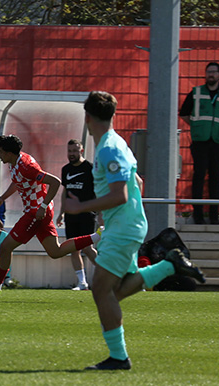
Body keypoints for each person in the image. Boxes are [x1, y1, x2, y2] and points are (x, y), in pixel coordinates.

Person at [64, 91, 205, 371]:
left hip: (123, 228)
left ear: (88, 117)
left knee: (102, 291)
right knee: (111, 293)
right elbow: (137, 182)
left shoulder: (108, 149)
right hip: (124, 224)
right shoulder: (118, 144)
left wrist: (82, 207)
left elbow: (121, 194)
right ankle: (168, 266)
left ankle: (119, 358)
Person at [0, 134, 102, 299]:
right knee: (55, 251)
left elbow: (54, 182)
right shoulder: (15, 163)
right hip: (38, 212)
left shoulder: (26, 166)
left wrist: (43, 206)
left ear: (8, 153)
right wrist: (2, 199)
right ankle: (96, 237)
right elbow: (18, 181)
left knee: (5, 246)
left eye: (1, 152)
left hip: (36, 212)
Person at [179, 62, 219, 225]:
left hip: (218, 140)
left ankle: (214, 216)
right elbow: (184, 113)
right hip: (200, 141)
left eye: (213, 72)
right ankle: (197, 215)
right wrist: (198, 126)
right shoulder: (196, 93)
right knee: (198, 175)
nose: (210, 75)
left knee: (215, 176)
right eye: (208, 72)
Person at [57, 139, 99, 291]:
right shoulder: (65, 169)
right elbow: (65, 192)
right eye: (69, 151)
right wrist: (61, 213)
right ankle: (82, 283)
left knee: (87, 248)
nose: (72, 154)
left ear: (81, 151)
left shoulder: (90, 168)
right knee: (73, 249)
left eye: (75, 151)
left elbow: (99, 191)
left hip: (86, 214)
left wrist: (100, 212)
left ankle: (109, 275)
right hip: (70, 215)